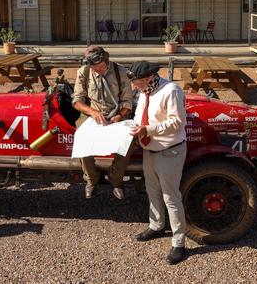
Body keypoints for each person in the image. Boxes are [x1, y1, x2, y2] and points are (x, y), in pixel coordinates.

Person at [128, 61, 188, 265]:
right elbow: (141, 116)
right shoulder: (146, 91)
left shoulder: (171, 91)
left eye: (136, 82)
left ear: (146, 79)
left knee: (171, 197)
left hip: (169, 151)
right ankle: (157, 225)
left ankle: (179, 242)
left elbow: (177, 122)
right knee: (152, 191)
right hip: (150, 150)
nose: (134, 87)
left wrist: (147, 130)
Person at [72, 46, 133, 200]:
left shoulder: (121, 72)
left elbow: (127, 102)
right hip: (93, 115)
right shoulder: (84, 72)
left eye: (101, 67)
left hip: (117, 115)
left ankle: (116, 179)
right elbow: (77, 101)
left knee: (129, 139)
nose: (98, 71)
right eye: (95, 68)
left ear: (106, 60)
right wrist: (92, 112)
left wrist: (119, 116)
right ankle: (92, 179)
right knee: (81, 137)